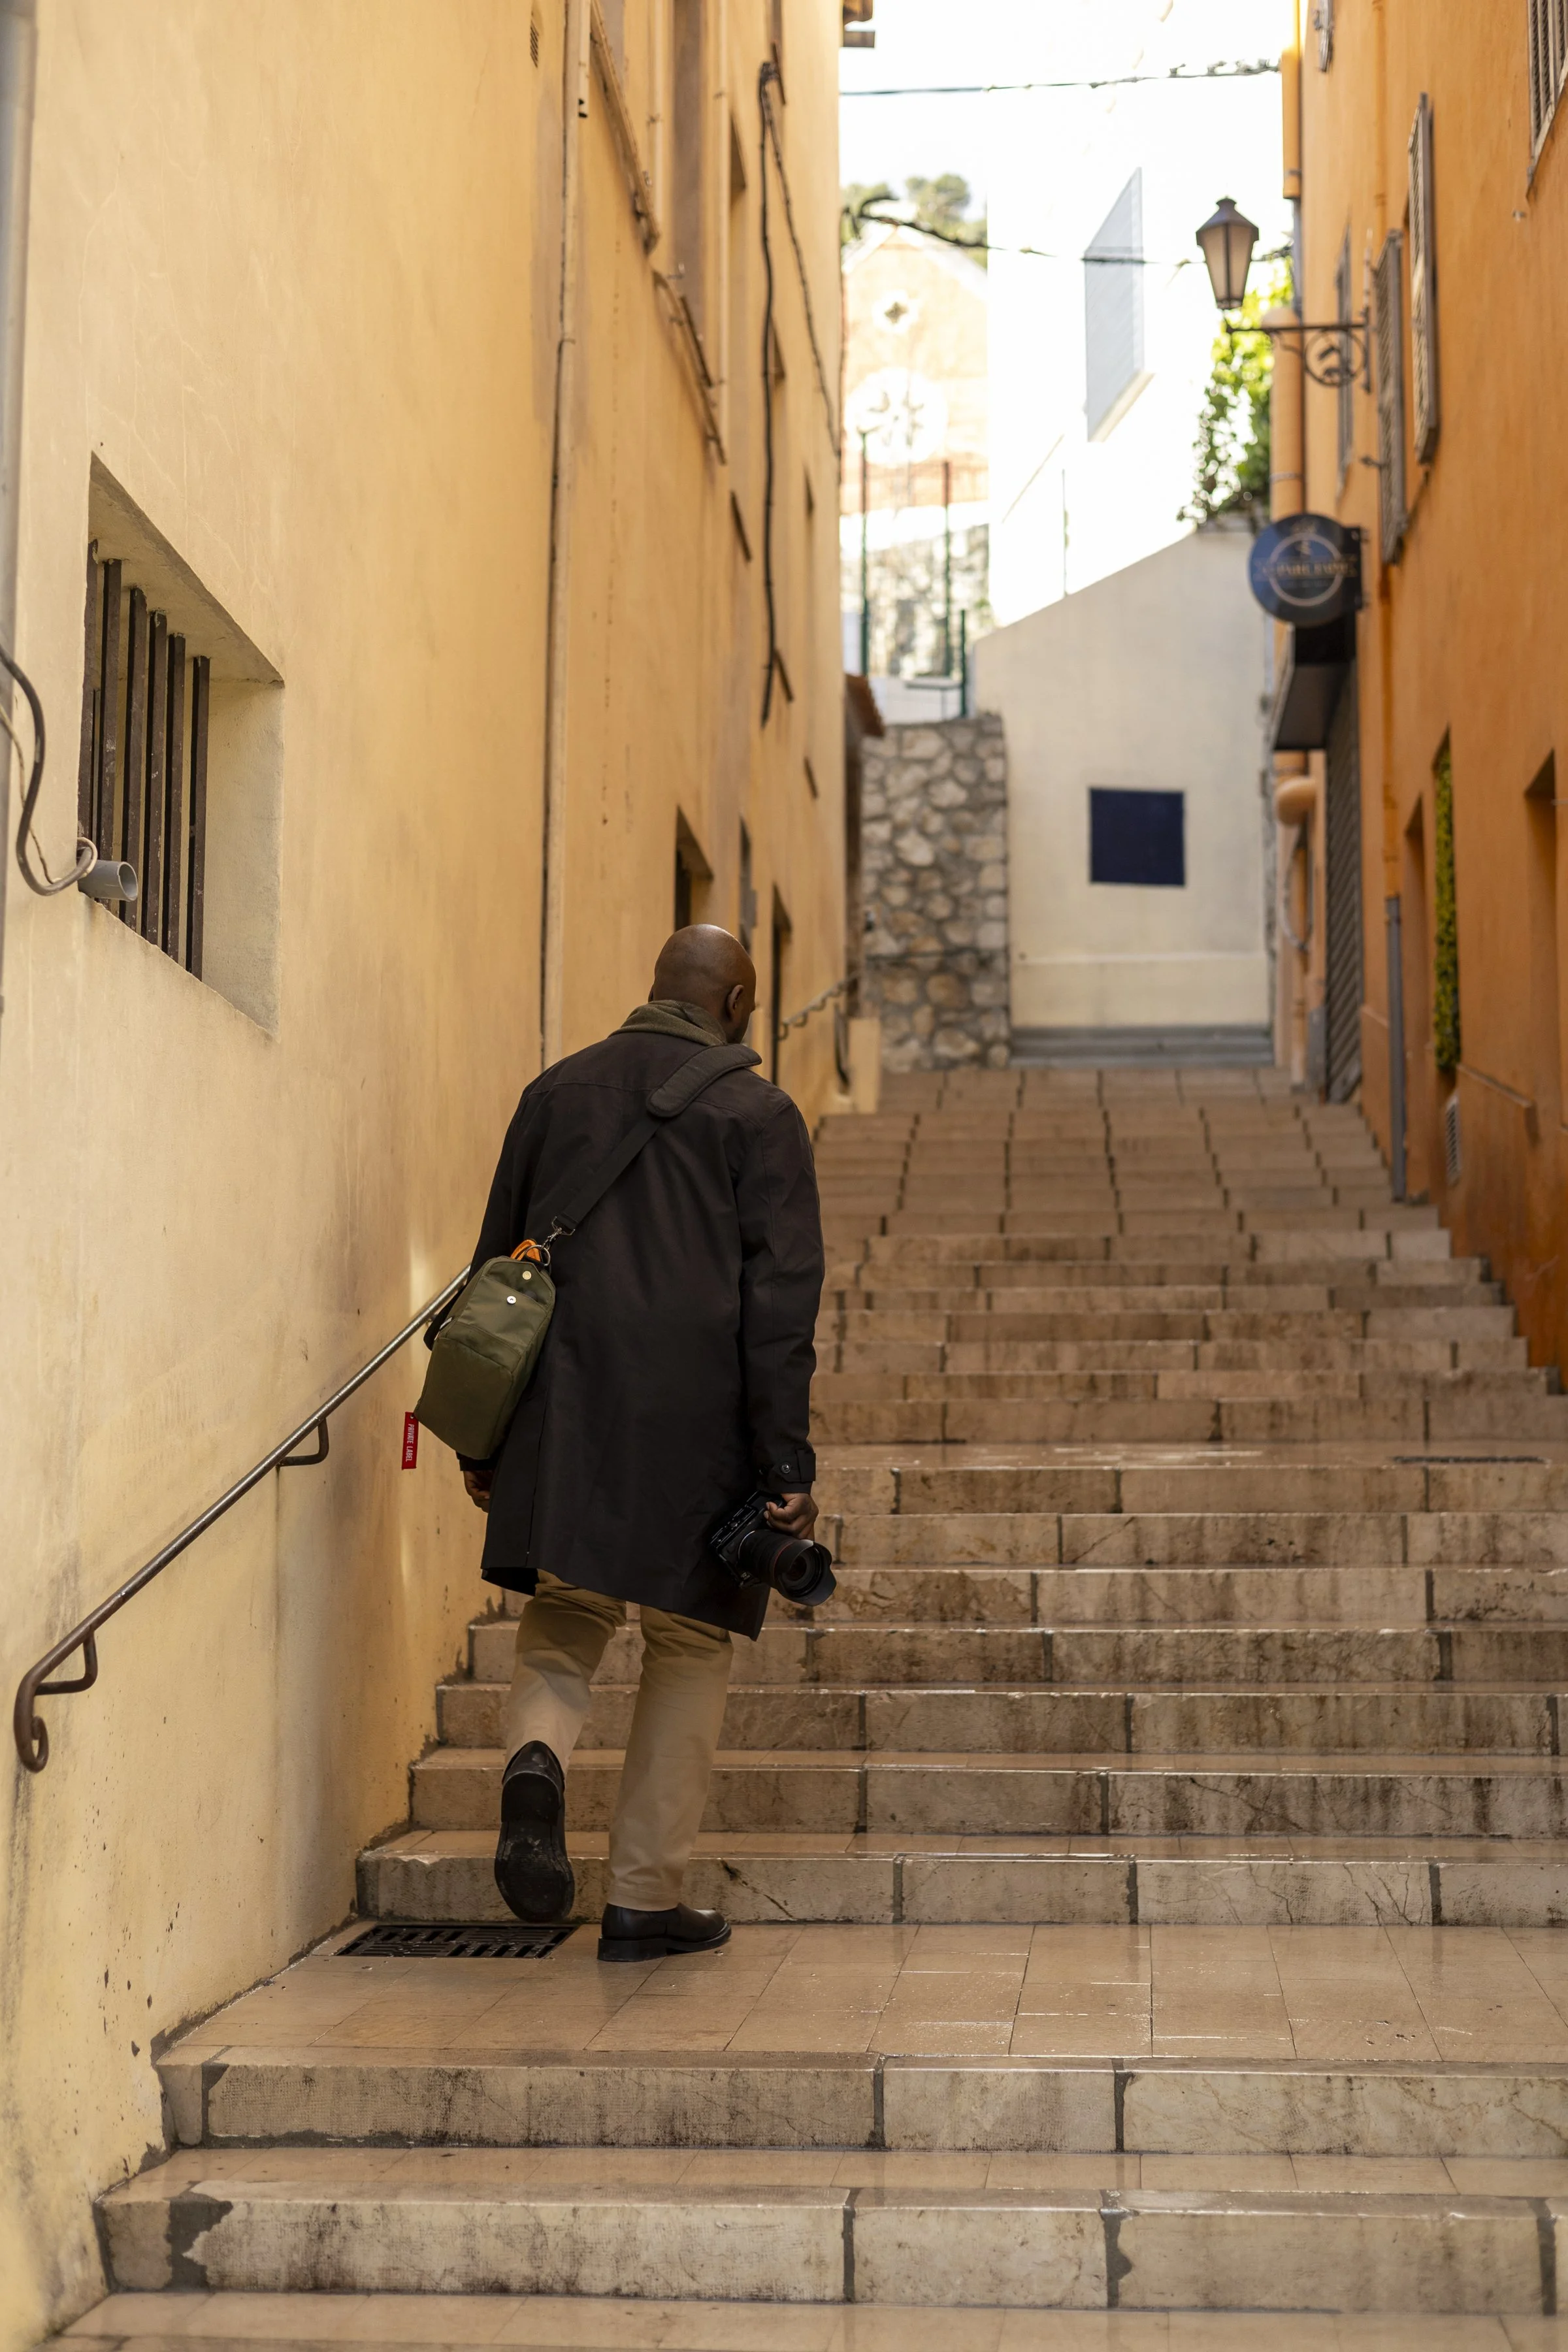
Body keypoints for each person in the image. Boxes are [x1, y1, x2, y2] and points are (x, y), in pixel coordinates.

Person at [460, 925, 824, 1961]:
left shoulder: (555, 1093)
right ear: (741, 1001)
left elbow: (496, 1272)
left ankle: (538, 1760)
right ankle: (642, 1897)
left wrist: (487, 1434)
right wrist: (784, 1464)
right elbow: (780, 1307)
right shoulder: (760, 1115)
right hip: (696, 1423)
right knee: (688, 1641)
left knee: (566, 1616)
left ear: (655, 989)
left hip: (560, 1409)